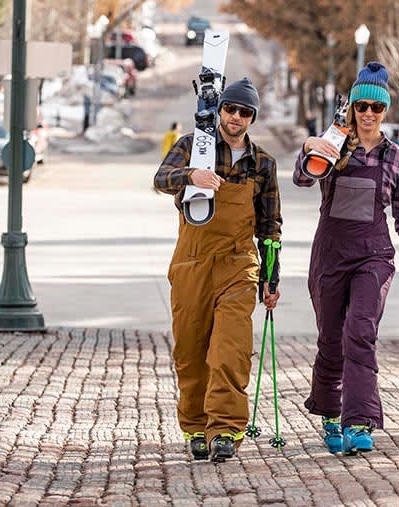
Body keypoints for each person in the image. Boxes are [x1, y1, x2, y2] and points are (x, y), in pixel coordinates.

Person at [293, 62, 399, 455]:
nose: (368, 114)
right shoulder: (336, 146)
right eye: (361, 105)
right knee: (332, 340)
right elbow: (302, 179)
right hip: (330, 254)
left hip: (374, 255)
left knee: (360, 331)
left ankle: (360, 422)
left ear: (386, 112)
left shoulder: (396, 157)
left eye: (376, 108)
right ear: (351, 107)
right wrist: (308, 148)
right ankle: (331, 414)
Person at [154, 77, 283, 462]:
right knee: (191, 351)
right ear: (220, 110)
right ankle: (195, 426)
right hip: (191, 262)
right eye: (231, 109)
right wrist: (191, 175)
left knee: (231, 348)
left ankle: (225, 429)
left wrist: (270, 277)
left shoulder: (262, 164)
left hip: (238, 264)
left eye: (245, 113)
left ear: (252, 119)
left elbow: (270, 226)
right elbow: (160, 179)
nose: (237, 118)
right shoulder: (193, 148)